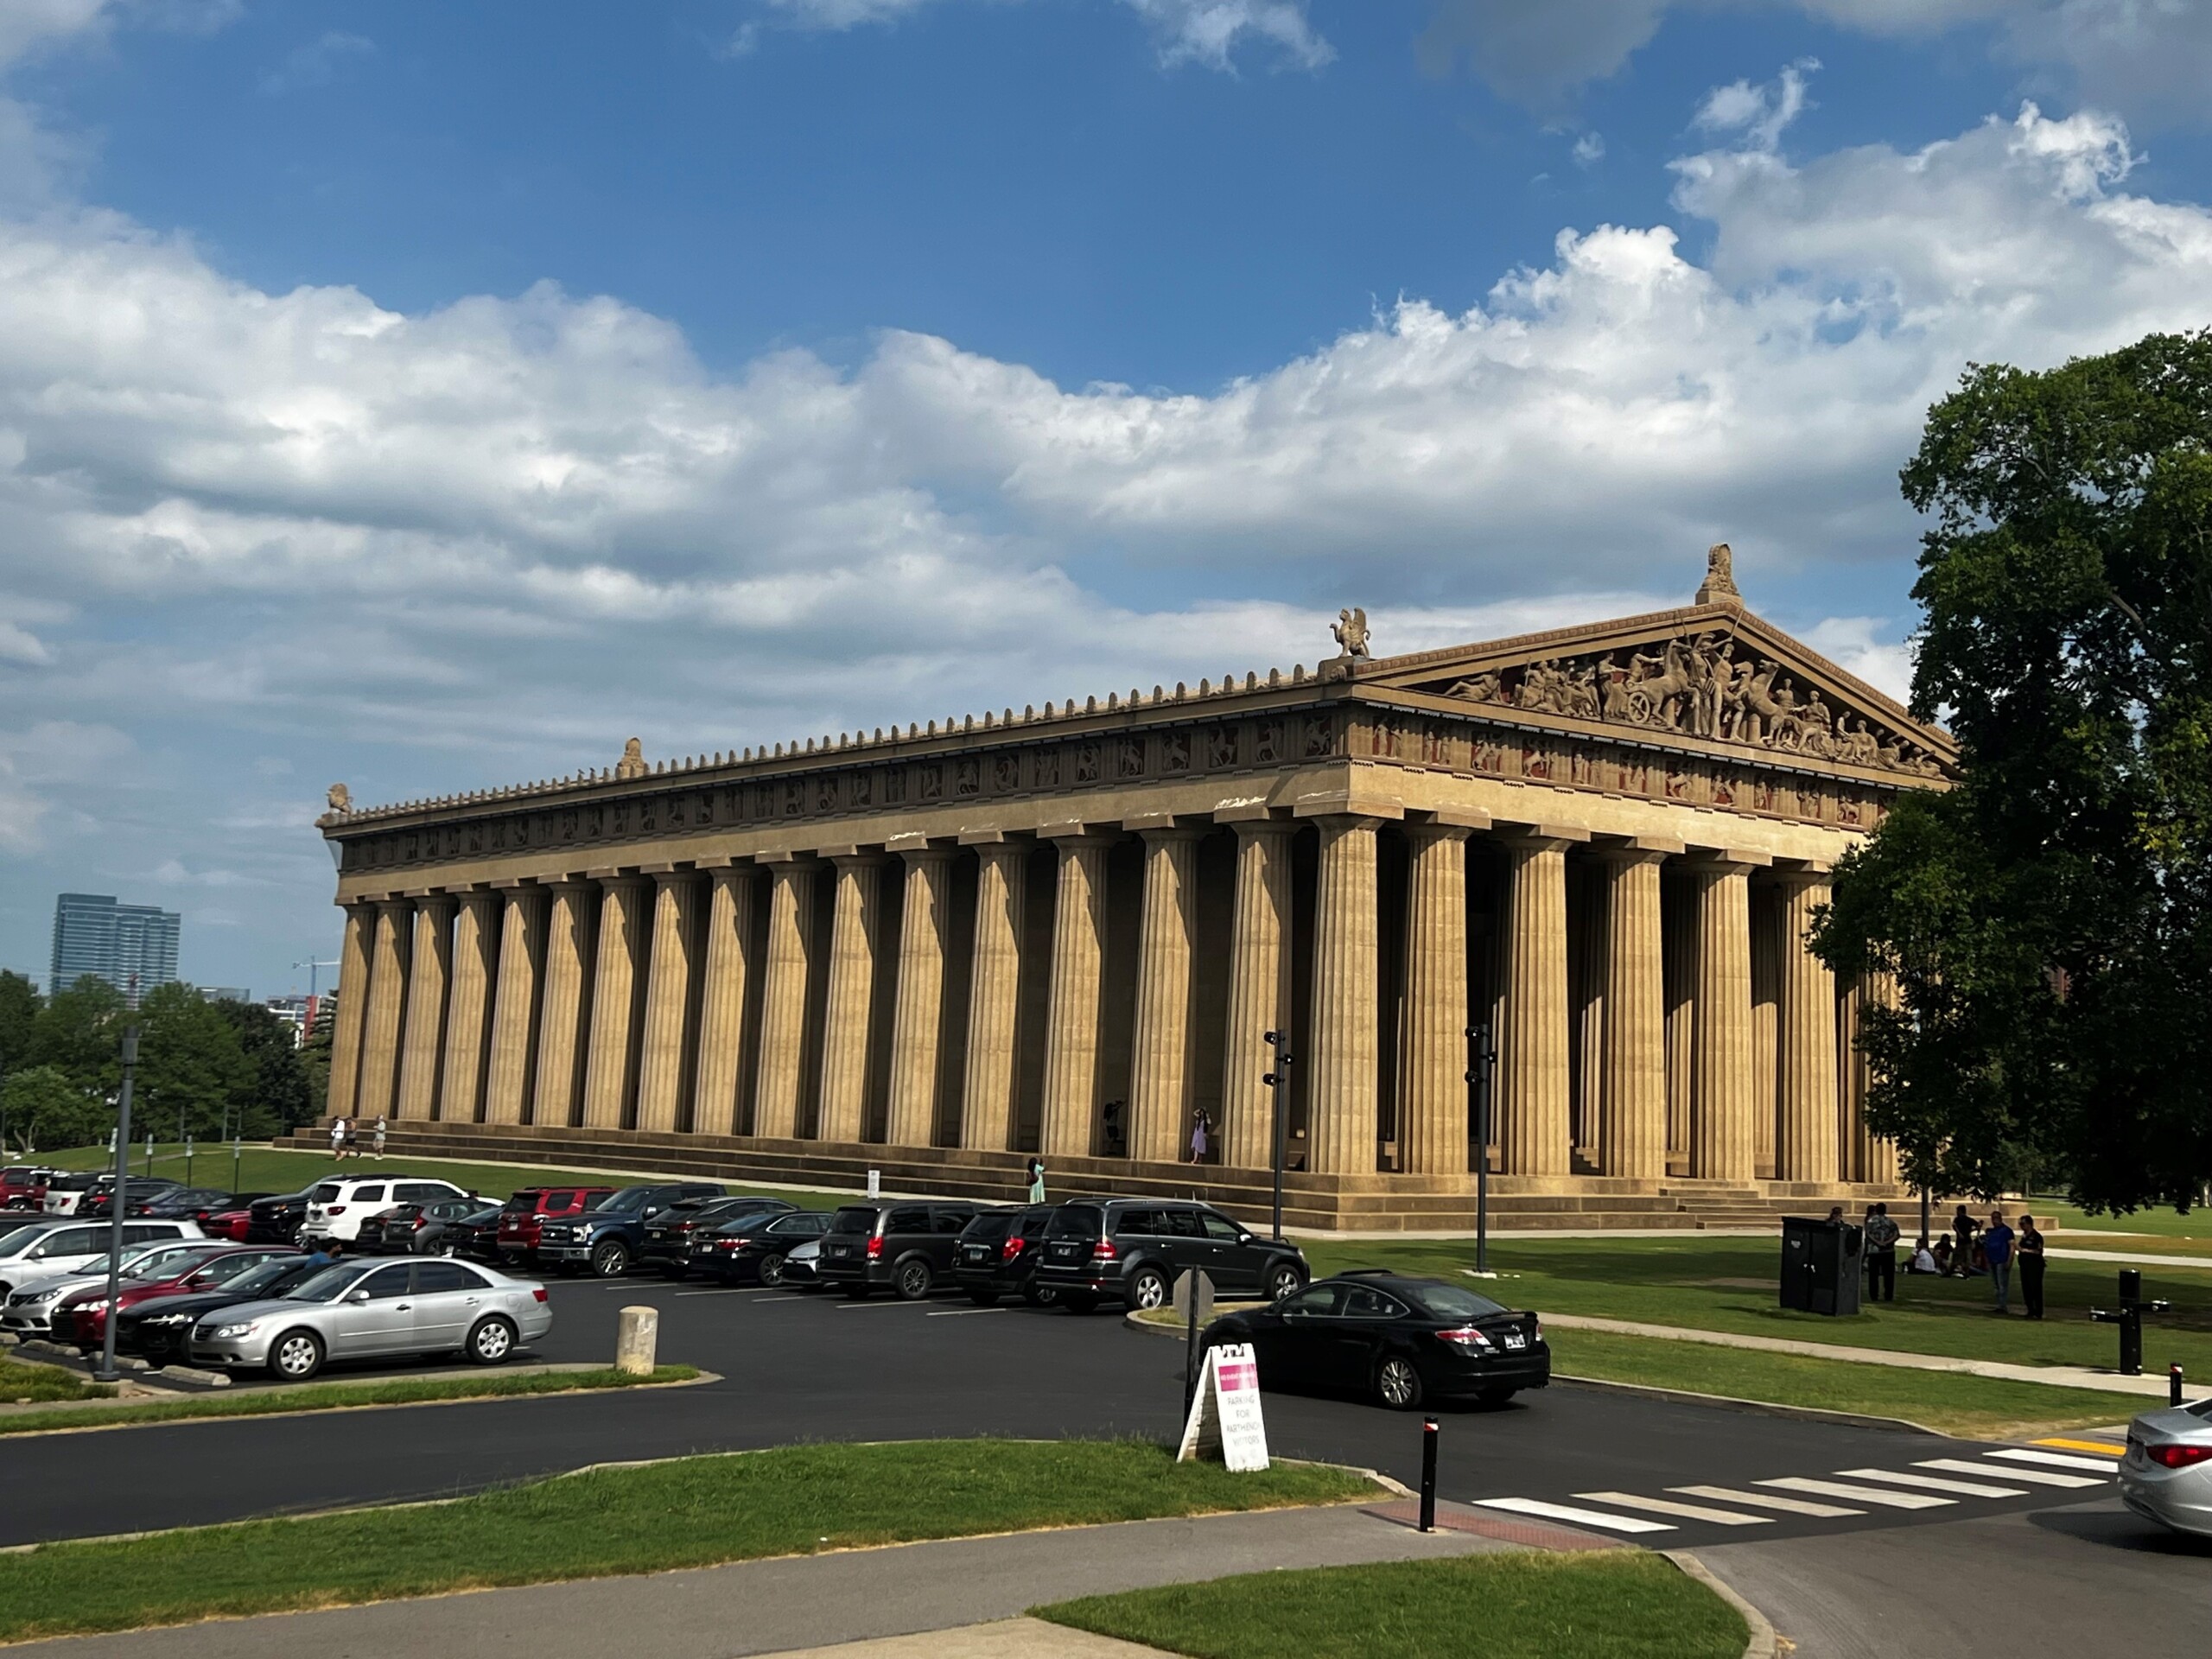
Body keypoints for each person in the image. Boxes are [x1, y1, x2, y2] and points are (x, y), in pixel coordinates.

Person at [1863, 1201, 1900, 1302]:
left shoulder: (1870, 1222)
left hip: (1874, 1251)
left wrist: (1878, 1242)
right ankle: (1888, 1295)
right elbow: (1897, 1235)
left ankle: (1874, 1295)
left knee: (1873, 1275)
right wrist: (1887, 1242)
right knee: (1889, 1276)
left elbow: (1868, 1234)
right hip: (1888, 1251)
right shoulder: (1891, 1222)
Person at [1983, 1208, 2016, 1313]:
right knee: (1996, 1284)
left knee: (2002, 1284)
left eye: (1996, 1218)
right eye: (1993, 1218)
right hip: (1992, 1260)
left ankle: (2003, 1305)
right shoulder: (1992, 1231)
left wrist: (2009, 1261)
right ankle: (1999, 1304)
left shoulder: (2007, 1231)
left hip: (2002, 1260)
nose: (1994, 1221)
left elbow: (2012, 1246)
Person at [2017, 1212, 2047, 1319]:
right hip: (2024, 1265)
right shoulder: (2024, 1236)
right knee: (2026, 1288)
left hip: (2035, 1266)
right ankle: (2030, 1310)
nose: (2021, 1226)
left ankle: (2038, 1312)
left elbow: (2038, 1251)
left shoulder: (2036, 1237)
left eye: (2023, 1224)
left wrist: (2025, 1250)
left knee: (2035, 1288)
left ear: (2029, 1224)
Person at [1952, 1204, 1976, 1271]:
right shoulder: (1961, 1220)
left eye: (1958, 1211)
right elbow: (1954, 1226)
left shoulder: (1961, 1219)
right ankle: (1958, 1269)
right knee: (1961, 1257)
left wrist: (1970, 1231)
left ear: (1960, 1211)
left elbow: (1954, 1226)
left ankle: (1964, 1271)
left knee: (1964, 1257)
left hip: (1965, 1241)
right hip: (1963, 1241)